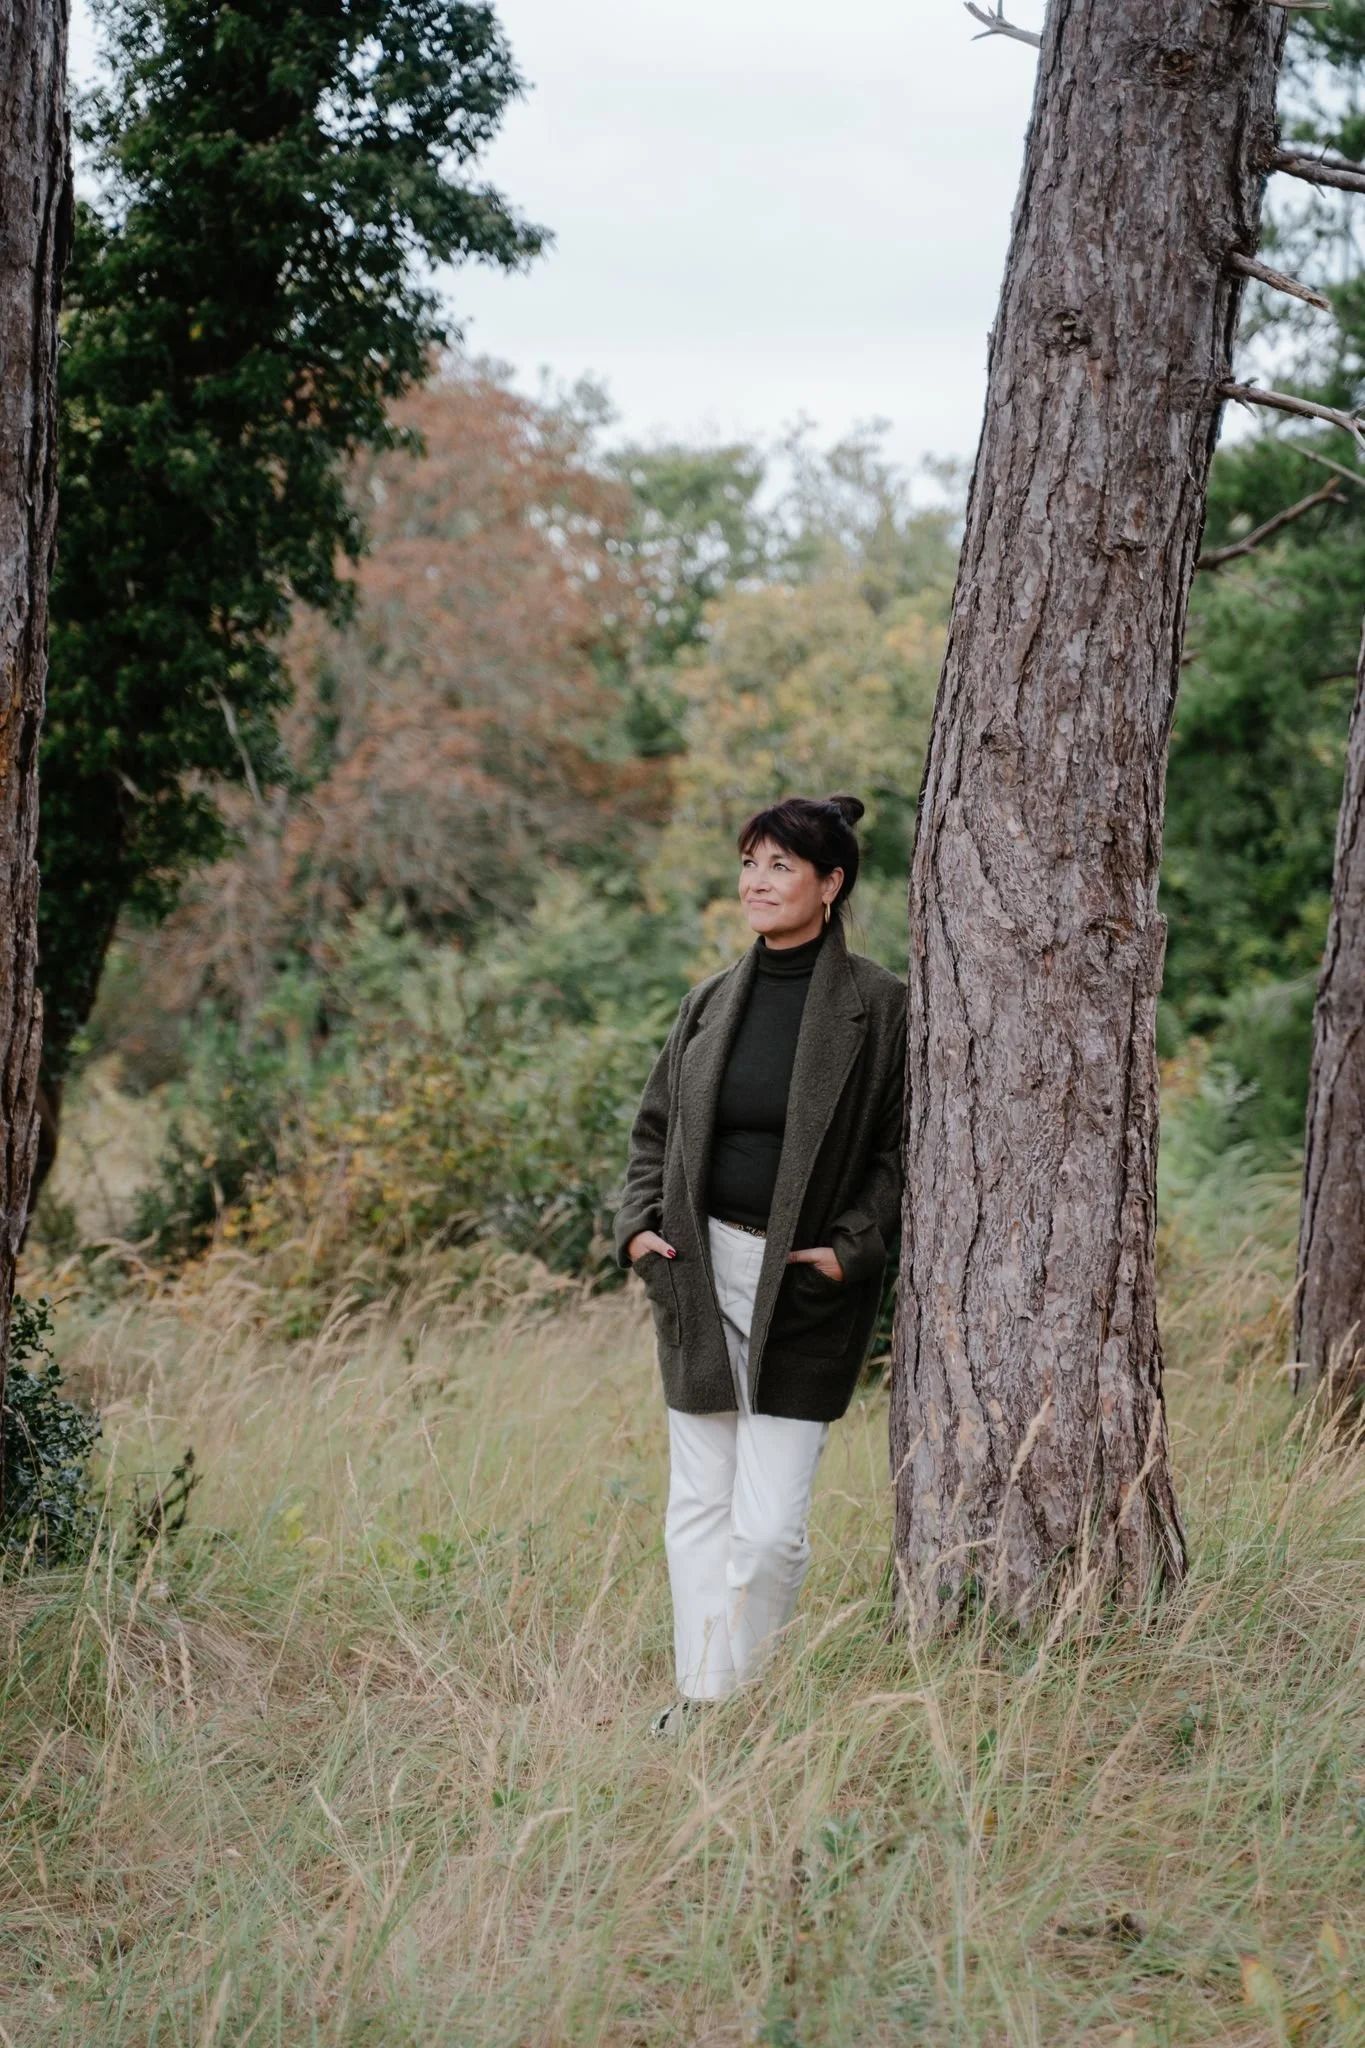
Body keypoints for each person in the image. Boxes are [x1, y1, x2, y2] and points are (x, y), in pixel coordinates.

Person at [615, 793, 906, 1731]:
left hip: (801, 1284)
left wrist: (849, 1252)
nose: (757, 881)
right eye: (749, 862)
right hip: (695, 1272)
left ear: (831, 884)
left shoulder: (879, 1007)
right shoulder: (709, 1000)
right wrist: (637, 1232)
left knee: (771, 1527)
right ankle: (704, 1699)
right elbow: (654, 1128)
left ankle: (742, 1686)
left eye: (781, 865)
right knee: (699, 1502)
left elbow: (906, 1152)